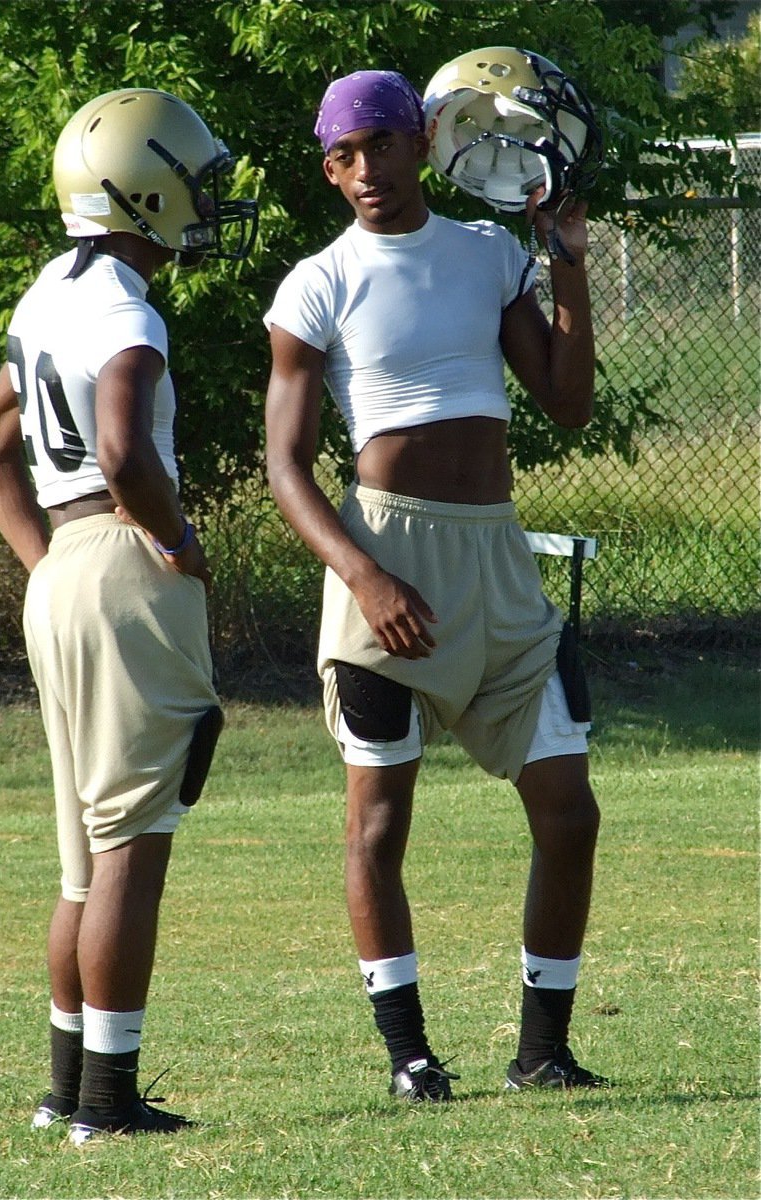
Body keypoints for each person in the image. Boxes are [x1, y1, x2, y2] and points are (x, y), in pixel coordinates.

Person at [263, 69, 607, 1103]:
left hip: (495, 559)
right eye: (344, 156)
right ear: (331, 171)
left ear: (425, 141)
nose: (366, 169)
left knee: (570, 811)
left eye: (382, 144)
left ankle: (543, 1051)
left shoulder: (487, 252)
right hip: (385, 560)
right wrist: (364, 578)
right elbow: (285, 466)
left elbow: (567, 402)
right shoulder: (315, 284)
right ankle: (410, 1055)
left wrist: (571, 269)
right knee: (378, 823)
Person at [0, 87, 257, 1144]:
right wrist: (173, 543)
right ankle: (106, 1101)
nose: (209, 201)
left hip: (66, 567)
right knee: (133, 839)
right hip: (124, 559)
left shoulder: (47, 290)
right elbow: (128, 453)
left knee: (84, 860)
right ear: (146, 186)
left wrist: (51, 566)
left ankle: (65, 1087)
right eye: (197, 181)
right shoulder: (129, 309)